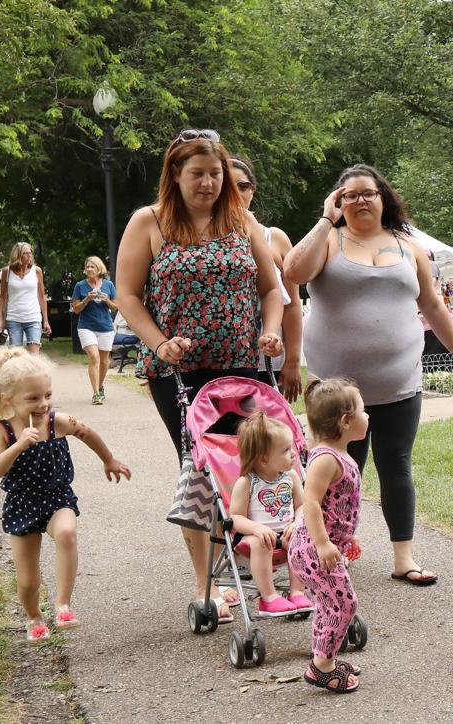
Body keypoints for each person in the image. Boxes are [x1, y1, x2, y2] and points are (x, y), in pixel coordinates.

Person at [115, 128, 284, 623]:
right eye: (197, 174)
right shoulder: (149, 222)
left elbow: (271, 290)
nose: (208, 183)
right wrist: (159, 343)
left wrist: (270, 331)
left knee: (255, 467)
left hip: (241, 368)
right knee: (200, 470)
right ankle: (208, 587)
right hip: (179, 371)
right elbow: (127, 296)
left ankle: (269, 567)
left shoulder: (242, 221)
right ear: (175, 174)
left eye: (214, 173)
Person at [284, 163, 453, 586]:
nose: (358, 201)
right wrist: (323, 219)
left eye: (367, 193)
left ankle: (403, 558)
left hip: (399, 380)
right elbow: (292, 274)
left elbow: (433, 306)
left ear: (382, 196)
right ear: (337, 200)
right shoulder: (329, 240)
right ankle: (331, 547)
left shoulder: (407, 244)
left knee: (396, 465)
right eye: (348, 195)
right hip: (334, 389)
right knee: (334, 468)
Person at [0, 347, 131, 641]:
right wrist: (18, 446)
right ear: (9, 399)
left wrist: (108, 459)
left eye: (47, 395)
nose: (43, 404)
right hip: (22, 504)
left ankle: (63, 604)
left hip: (58, 497)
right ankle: (33, 618)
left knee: (67, 533)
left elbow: (87, 432)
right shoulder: (4, 430)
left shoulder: (58, 421)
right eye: (32, 398)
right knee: (28, 581)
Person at [287, 377, 368, 693]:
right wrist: (322, 542)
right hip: (312, 548)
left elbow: (341, 504)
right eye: (363, 411)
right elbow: (311, 502)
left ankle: (326, 659)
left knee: (330, 603)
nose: (368, 416)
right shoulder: (325, 459)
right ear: (346, 421)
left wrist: (348, 538)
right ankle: (321, 667)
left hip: (326, 544)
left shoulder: (341, 454)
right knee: (343, 603)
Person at [229, 157, 303, 402]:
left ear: (253, 190)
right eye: (229, 185)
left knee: (269, 434)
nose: (236, 192)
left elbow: (292, 303)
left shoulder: (274, 238)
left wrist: (292, 361)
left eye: (243, 186)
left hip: (267, 359)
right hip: (223, 359)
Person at [228, 411, 314, 617]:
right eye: (285, 450)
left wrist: (297, 522)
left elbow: (302, 505)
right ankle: (269, 598)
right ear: (263, 458)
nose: (294, 453)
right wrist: (257, 529)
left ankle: (297, 592)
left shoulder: (291, 476)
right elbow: (235, 518)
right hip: (252, 539)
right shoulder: (248, 482)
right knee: (261, 542)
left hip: (284, 534)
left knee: (300, 537)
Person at [70, 257, 119, 405]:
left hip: (105, 327)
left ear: (99, 269)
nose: (90, 269)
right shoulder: (80, 286)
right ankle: (96, 394)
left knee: (104, 361)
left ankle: (100, 386)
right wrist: (87, 299)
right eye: (88, 267)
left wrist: (106, 300)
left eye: (93, 267)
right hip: (86, 326)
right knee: (94, 357)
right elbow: (76, 309)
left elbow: (115, 307)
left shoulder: (109, 285)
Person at [0, 243, 51, 353]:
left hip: (33, 318)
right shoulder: (7, 272)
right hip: (13, 319)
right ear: (17, 256)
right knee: (16, 356)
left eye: (30, 253)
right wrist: (0, 319)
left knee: (34, 357)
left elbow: (42, 297)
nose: (29, 256)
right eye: (25, 253)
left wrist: (46, 321)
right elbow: (2, 297)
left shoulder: (37, 271)